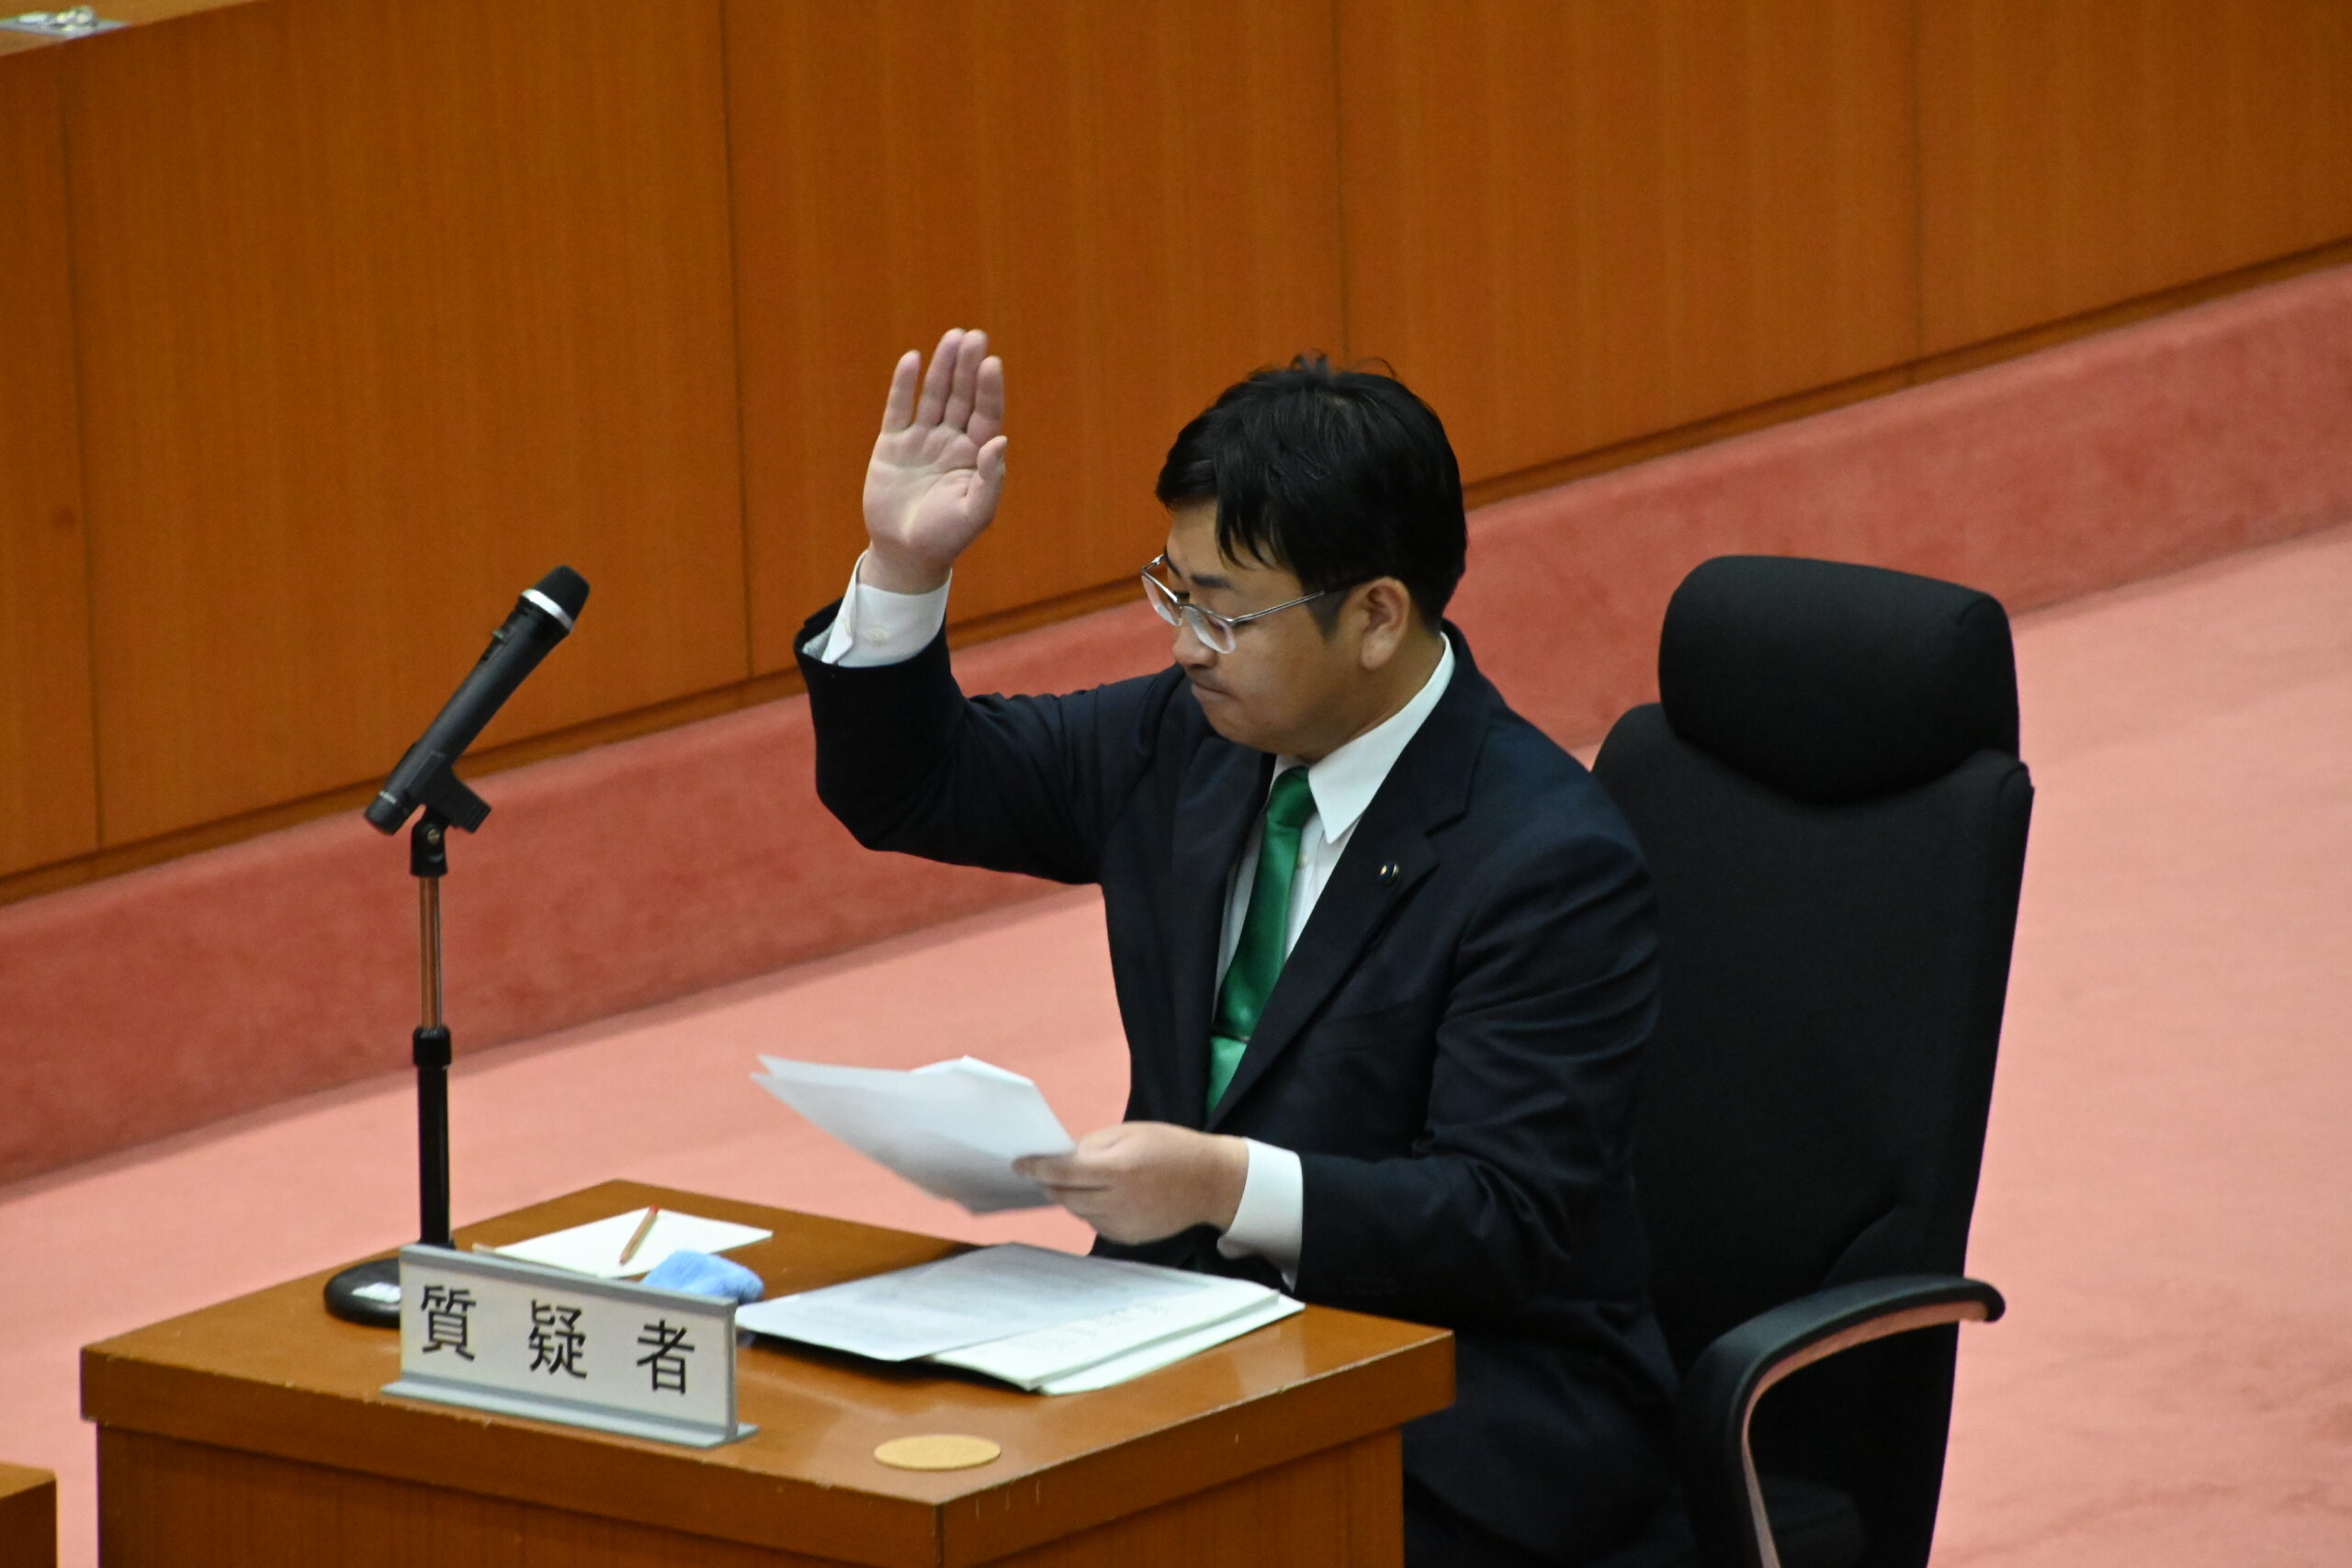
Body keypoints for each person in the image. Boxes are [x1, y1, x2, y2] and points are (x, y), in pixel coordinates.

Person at [796, 328, 1677, 1566]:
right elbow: (914, 786)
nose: (1183, 645)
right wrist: (902, 564)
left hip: (1457, 1406)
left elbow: (1497, 1219)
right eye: (1174, 592)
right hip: (1171, 1345)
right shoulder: (1190, 741)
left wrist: (1222, 1185)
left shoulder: (1544, 858)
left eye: (1223, 611)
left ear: (1376, 617)